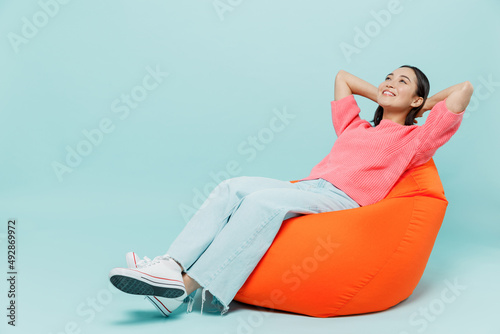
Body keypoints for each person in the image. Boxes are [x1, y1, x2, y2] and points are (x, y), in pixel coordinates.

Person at [108, 65, 474, 317]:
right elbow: (343, 77)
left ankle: (185, 290)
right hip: (309, 187)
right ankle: (169, 268)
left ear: (416, 102)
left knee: (261, 202)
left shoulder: (414, 139)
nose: (391, 82)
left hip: (343, 200)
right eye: (387, 77)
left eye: (403, 81)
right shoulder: (356, 128)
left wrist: (420, 107)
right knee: (231, 187)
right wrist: (387, 94)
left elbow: (463, 91)